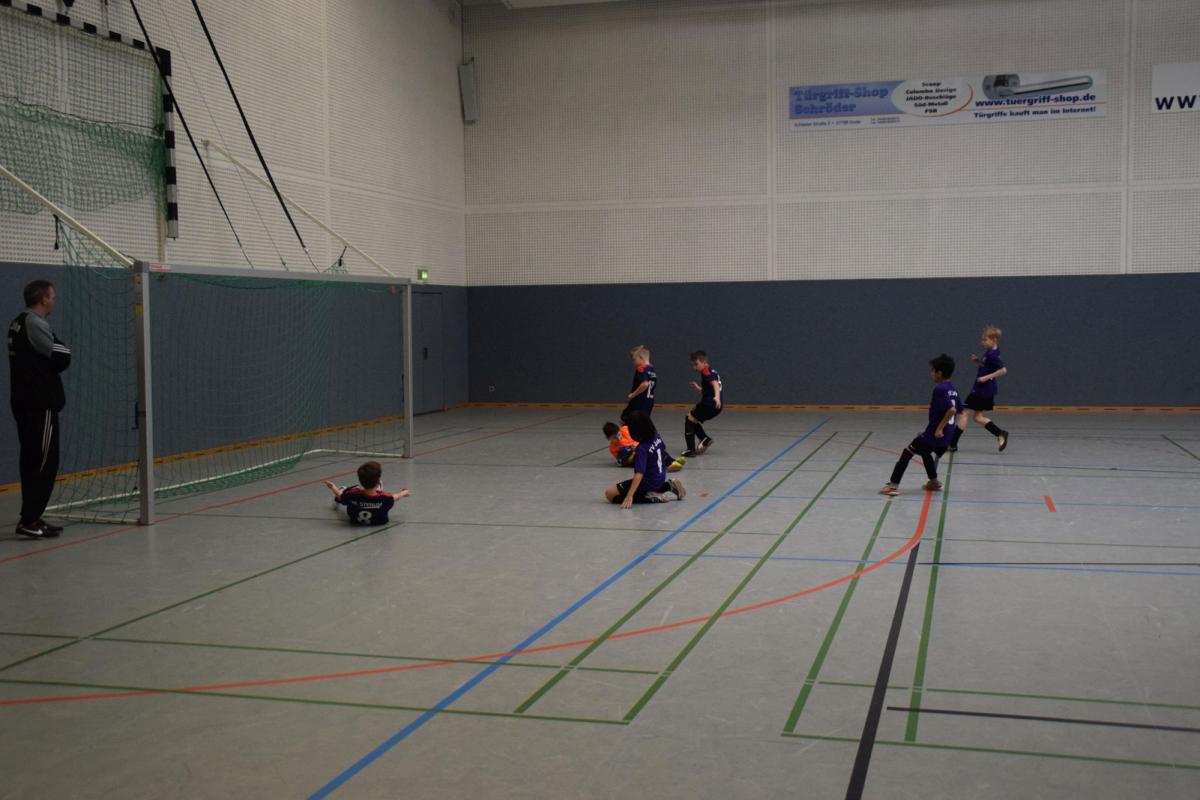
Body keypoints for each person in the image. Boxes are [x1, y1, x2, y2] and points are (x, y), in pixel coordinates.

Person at [8, 280, 71, 538]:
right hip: (39, 404)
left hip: (26, 401)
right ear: (43, 299)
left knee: (33, 459)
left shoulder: (18, 322)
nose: (54, 300)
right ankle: (30, 519)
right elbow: (62, 355)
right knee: (43, 462)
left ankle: (32, 516)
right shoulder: (34, 323)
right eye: (52, 296)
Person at [879, 354, 960, 496]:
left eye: (933, 371)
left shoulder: (940, 389)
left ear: (939, 373)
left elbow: (952, 410)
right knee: (924, 451)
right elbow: (958, 409)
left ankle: (893, 486)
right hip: (946, 437)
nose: (931, 373)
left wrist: (939, 428)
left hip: (934, 435)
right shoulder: (953, 390)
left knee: (907, 452)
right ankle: (934, 482)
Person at [619, 346, 684, 472]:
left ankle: (663, 459)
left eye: (634, 359)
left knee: (638, 428)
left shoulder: (641, 369)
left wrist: (632, 395)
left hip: (638, 404)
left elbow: (644, 384)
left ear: (641, 357)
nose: (633, 363)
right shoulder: (652, 370)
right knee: (637, 426)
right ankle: (667, 459)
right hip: (648, 404)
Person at [605, 411, 685, 508]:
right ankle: (668, 485)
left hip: (648, 481)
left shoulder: (642, 448)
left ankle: (651, 497)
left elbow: (639, 474)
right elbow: (663, 451)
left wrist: (629, 495)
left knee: (610, 494)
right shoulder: (656, 436)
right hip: (660, 477)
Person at [949, 325, 1009, 452]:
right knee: (977, 417)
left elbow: (1003, 370)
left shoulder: (992, 355)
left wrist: (986, 378)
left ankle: (953, 444)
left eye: (985, 340)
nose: (982, 342)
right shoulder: (989, 352)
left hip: (983, 390)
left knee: (964, 413)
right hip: (984, 389)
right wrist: (978, 361)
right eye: (982, 340)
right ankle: (1000, 433)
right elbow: (987, 366)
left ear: (994, 340)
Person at [324, 461, 410, 525]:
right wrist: (403, 493)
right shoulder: (386, 498)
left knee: (348, 493)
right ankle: (376, 489)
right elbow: (396, 497)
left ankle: (342, 490)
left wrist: (332, 487)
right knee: (378, 493)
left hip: (355, 521)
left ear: (360, 481)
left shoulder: (352, 495)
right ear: (378, 481)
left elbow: (340, 496)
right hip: (380, 522)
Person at [681, 350, 722, 457]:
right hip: (715, 405)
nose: (694, 367)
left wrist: (717, 397)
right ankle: (704, 439)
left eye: (696, 364)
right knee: (693, 419)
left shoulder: (706, 371)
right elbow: (709, 390)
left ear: (704, 362)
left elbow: (715, 384)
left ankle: (691, 449)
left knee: (689, 419)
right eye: (693, 365)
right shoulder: (712, 371)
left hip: (709, 404)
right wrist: (699, 389)